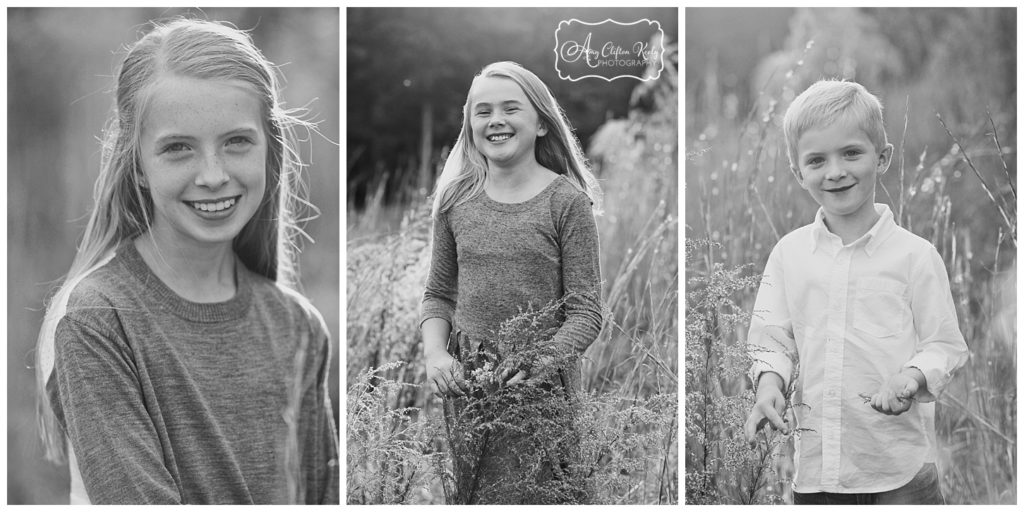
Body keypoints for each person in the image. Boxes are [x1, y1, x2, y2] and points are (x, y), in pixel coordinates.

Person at [34, 18, 338, 504]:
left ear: (269, 149)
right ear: (136, 166)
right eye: (178, 148)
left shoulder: (297, 325)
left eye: (237, 141)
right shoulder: (98, 318)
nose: (213, 176)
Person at [743, 79, 969, 505]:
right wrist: (769, 383)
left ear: (881, 158)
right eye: (816, 160)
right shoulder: (790, 255)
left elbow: (945, 344)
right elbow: (771, 338)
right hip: (817, 473)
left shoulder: (915, 257)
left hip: (900, 472)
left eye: (851, 153)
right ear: (798, 172)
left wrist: (912, 376)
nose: (835, 171)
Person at [420, 61, 604, 503]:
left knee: (544, 494)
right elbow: (438, 296)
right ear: (469, 125)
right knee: (480, 494)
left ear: (541, 122)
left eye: (510, 109)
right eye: (482, 111)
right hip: (470, 386)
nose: (496, 120)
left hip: (540, 389)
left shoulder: (566, 203)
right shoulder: (455, 200)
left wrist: (541, 362)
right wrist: (435, 353)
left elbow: (586, 311)